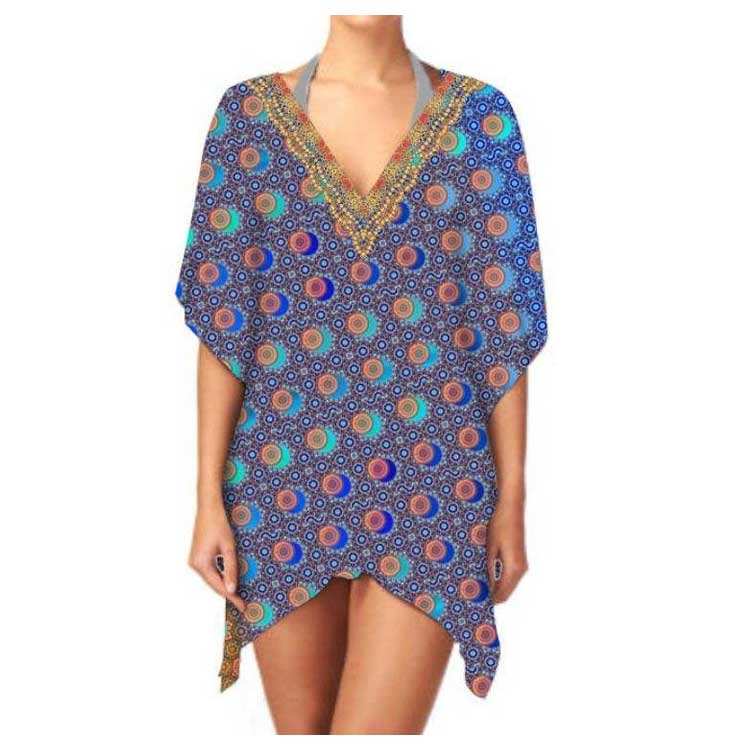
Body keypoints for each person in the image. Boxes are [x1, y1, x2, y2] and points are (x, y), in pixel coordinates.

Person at [175, 14, 548, 734]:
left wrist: (512, 501)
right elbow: (224, 322)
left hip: (434, 483)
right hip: (282, 479)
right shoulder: (247, 118)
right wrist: (207, 500)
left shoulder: (480, 119)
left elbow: (503, 326)